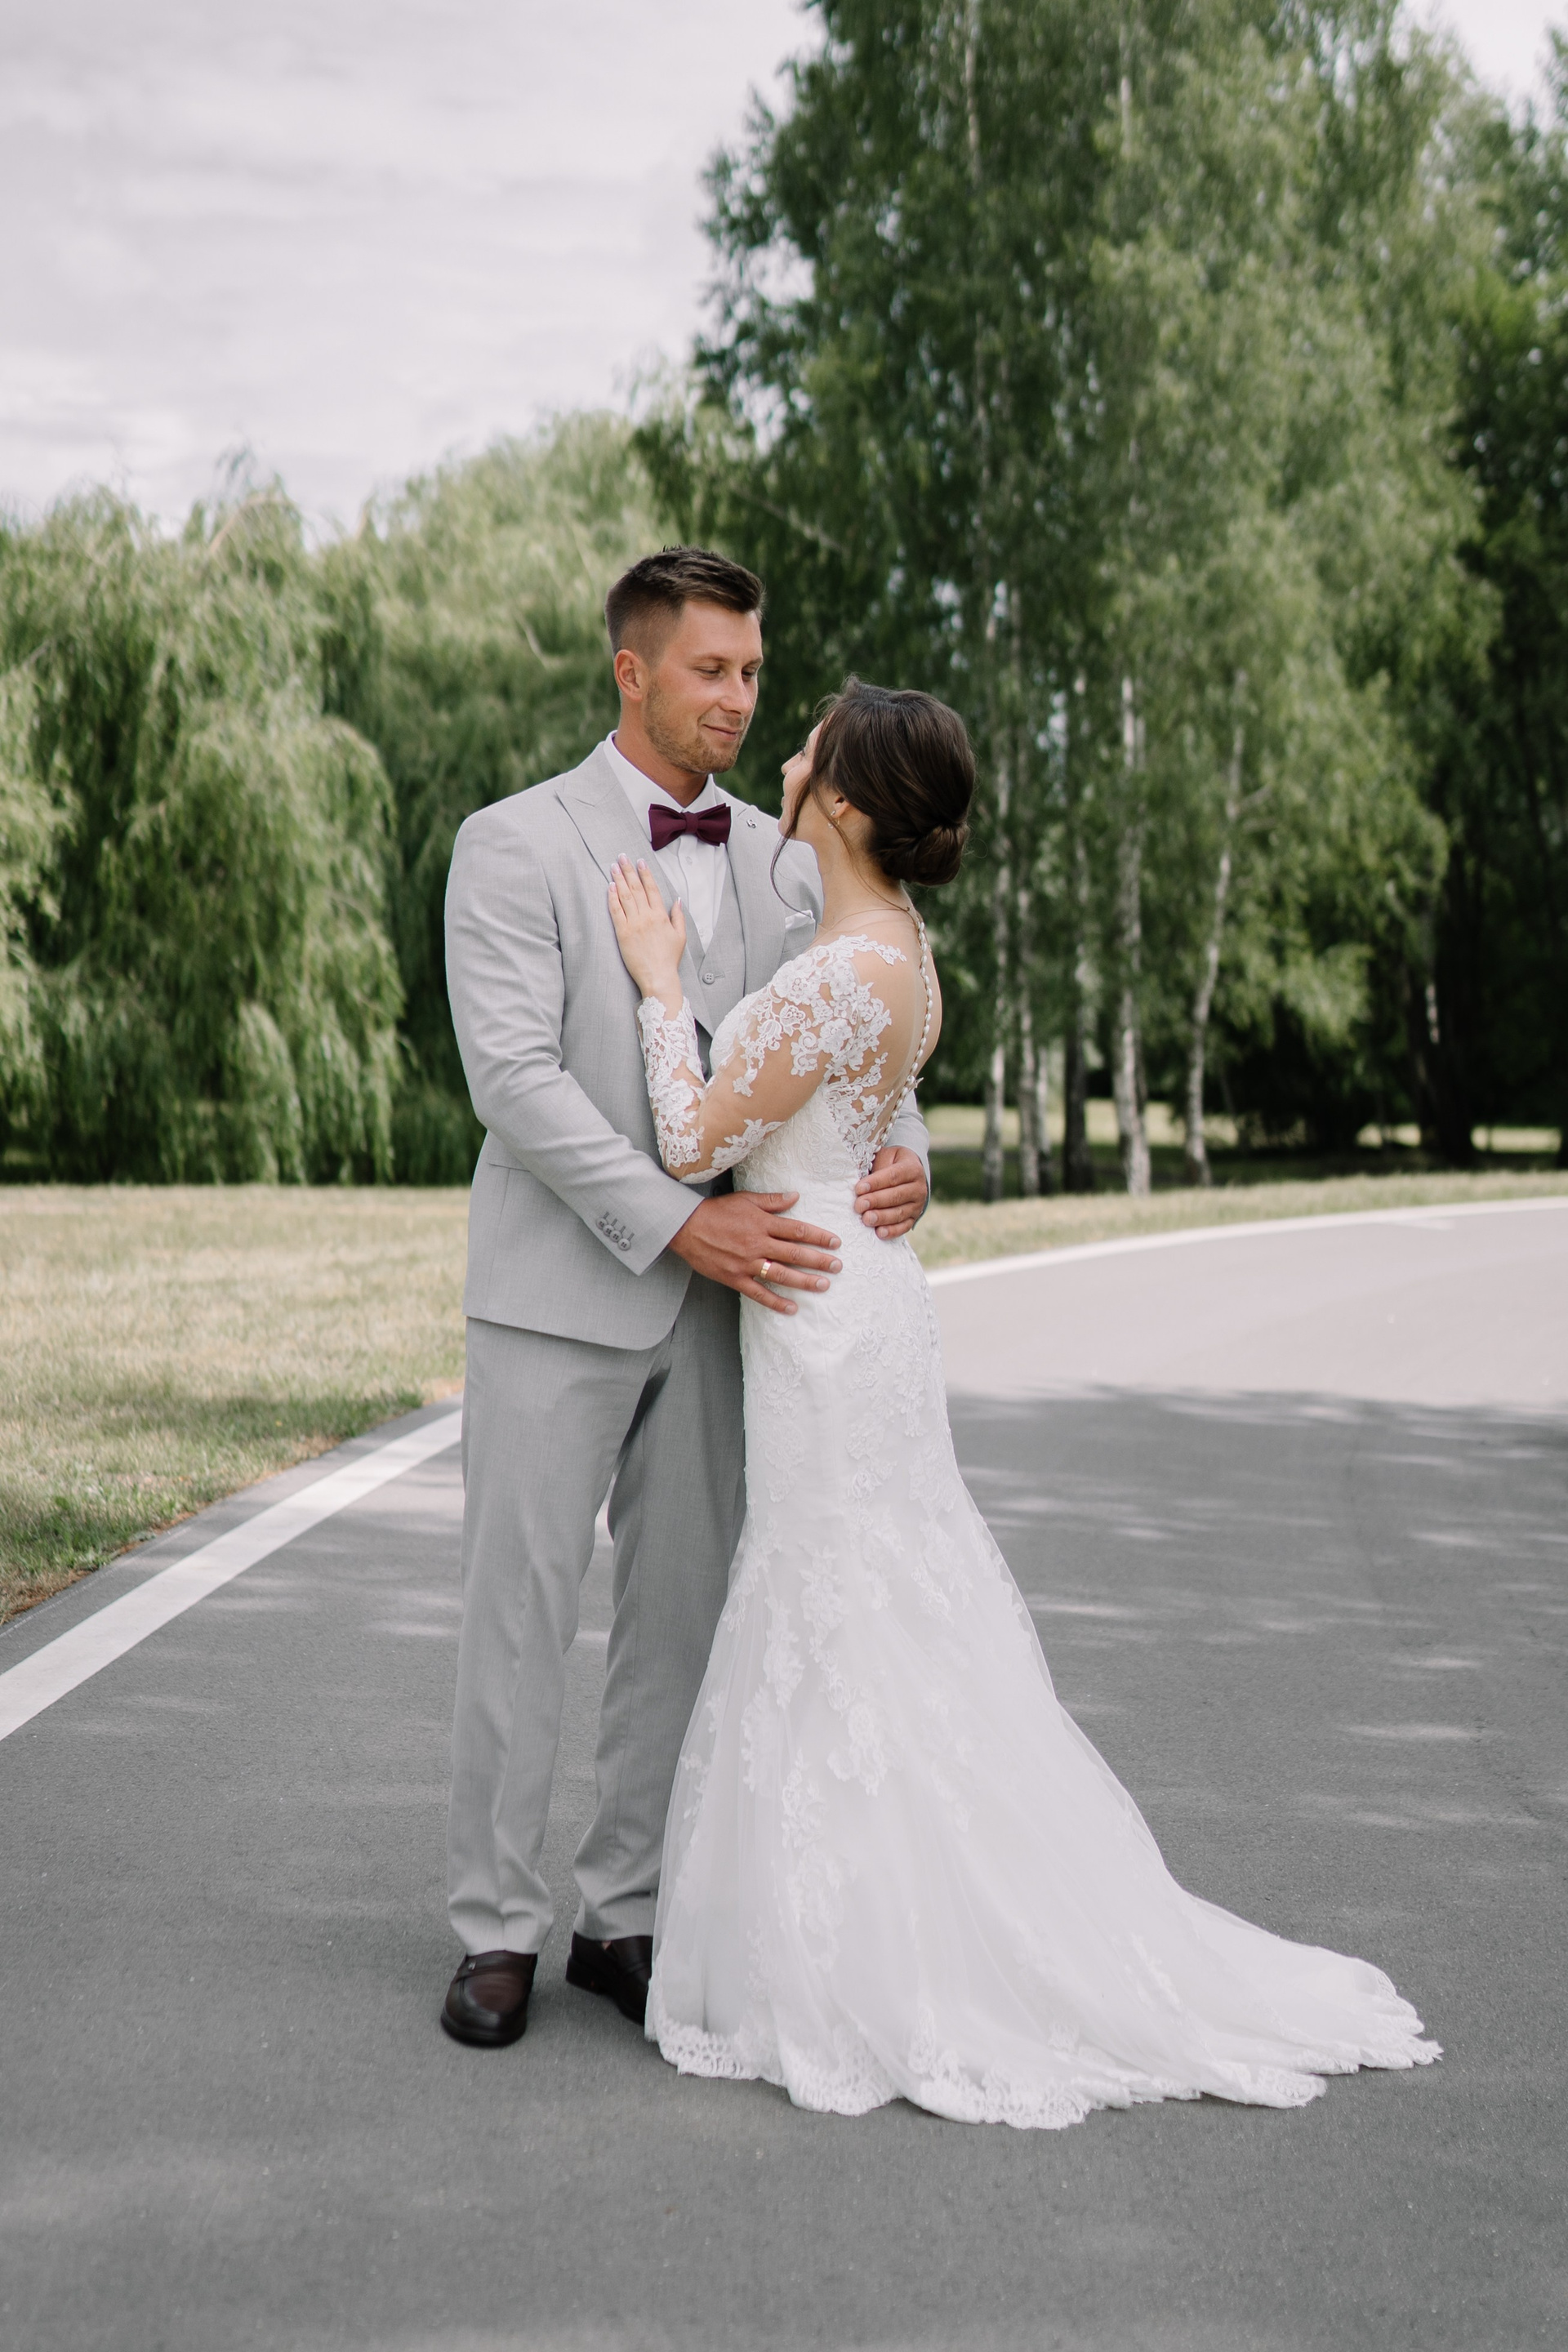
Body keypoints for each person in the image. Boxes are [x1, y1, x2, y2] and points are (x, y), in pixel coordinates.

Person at [607, 677, 1441, 2127]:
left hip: (821, 1313)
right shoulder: (897, 950)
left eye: (809, 746)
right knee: (873, 1606)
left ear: (841, 804)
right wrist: (901, 1157)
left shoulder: (836, 972)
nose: (783, 752)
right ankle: (874, 1915)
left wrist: (659, 983)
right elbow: (865, 1110)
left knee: (839, 1603)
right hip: (858, 1299)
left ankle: (873, 1955)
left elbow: (691, 1139)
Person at [439, 550, 932, 2048]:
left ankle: (628, 1912)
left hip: (740, 1315)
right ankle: (496, 1927)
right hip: (557, 1296)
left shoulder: (793, 852)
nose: (738, 697)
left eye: (753, 671)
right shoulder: (513, 843)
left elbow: (859, 1022)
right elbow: (514, 1080)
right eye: (710, 669)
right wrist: (678, 1226)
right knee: (519, 1618)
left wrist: (904, 1152)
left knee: (682, 1620)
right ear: (632, 672)